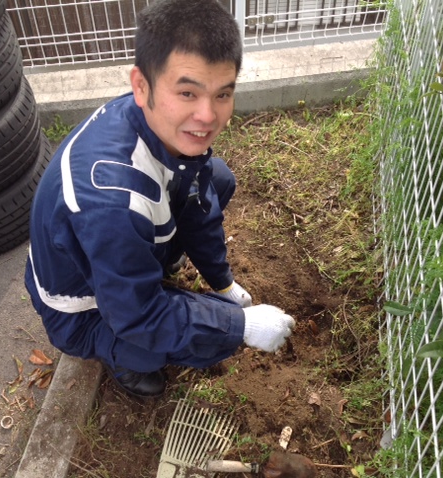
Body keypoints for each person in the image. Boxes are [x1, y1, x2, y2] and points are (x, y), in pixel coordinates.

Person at [24, 0, 295, 398]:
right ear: (141, 85)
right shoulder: (111, 202)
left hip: (117, 250)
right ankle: (121, 358)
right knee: (145, 345)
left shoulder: (154, 123)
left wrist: (222, 285)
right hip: (82, 311)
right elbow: (140, 317)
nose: (207, 116)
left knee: (215, 179)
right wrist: (242, 327)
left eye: (222, 94)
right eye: (187, 92)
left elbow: (196, 201)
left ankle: (152, 271)